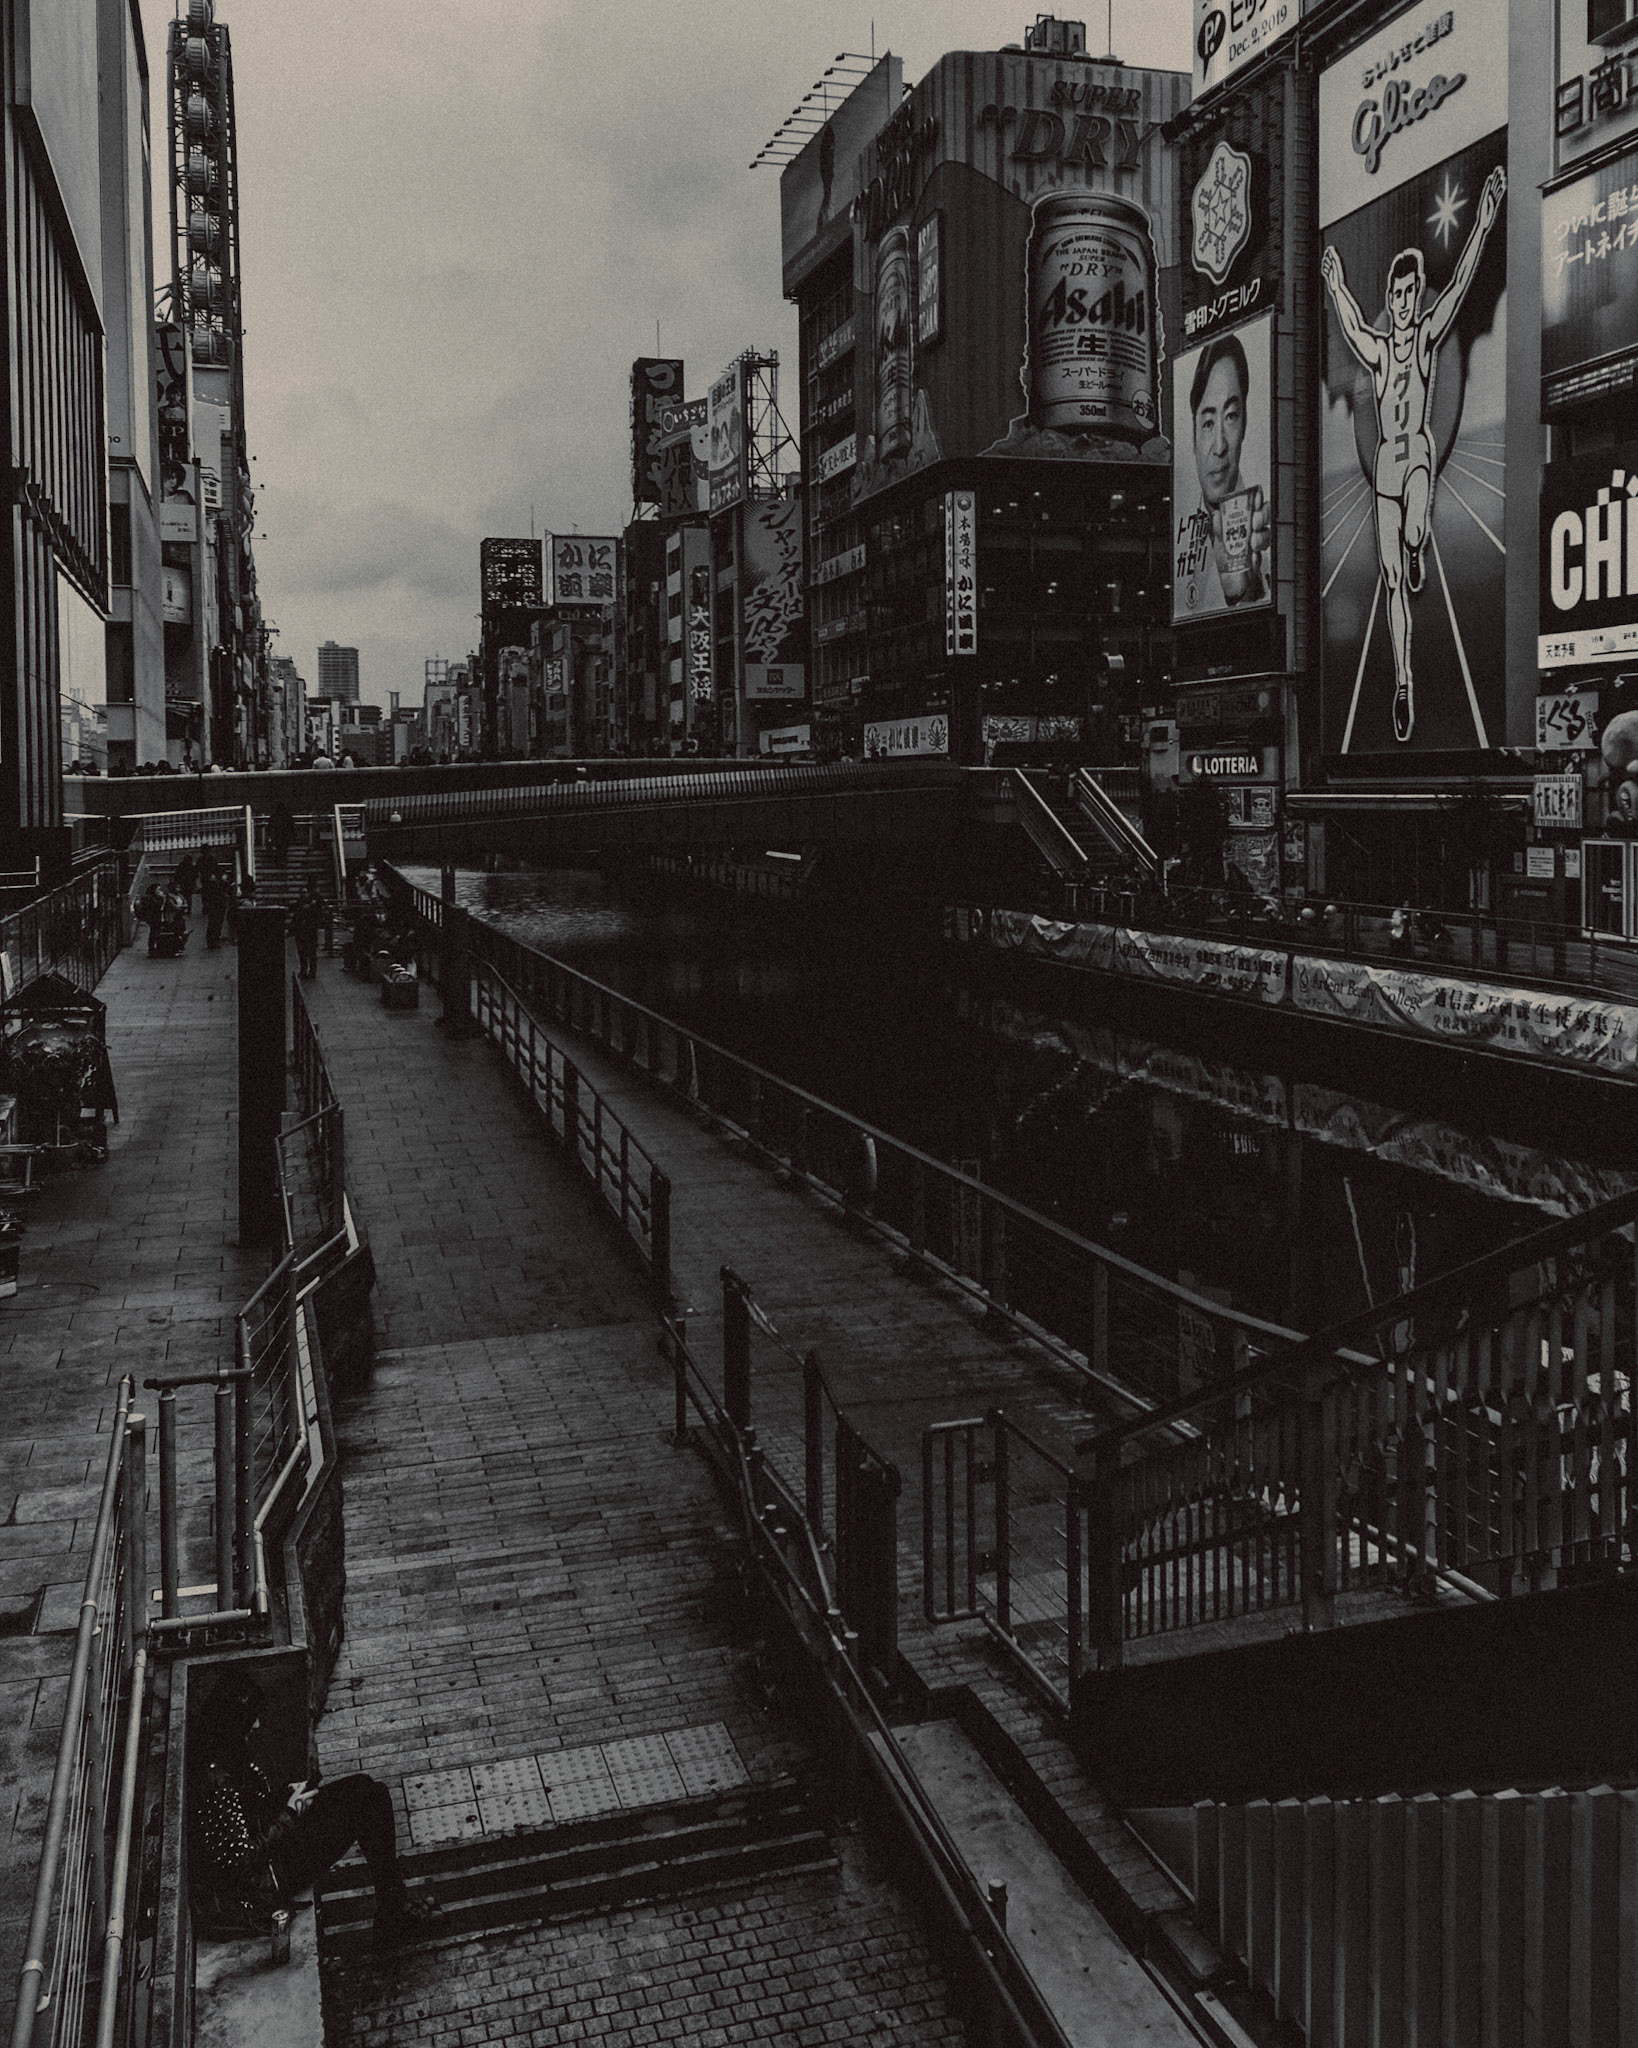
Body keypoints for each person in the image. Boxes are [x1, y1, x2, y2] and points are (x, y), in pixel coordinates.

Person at [1320, 165, 1506, 744]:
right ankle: (1404, 681)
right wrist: (1333, 284)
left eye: (1408, 293)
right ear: (1390, 298)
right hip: (1385, 471)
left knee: (1416, 528)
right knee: (1394, 581)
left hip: (1417, 455)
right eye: (1396, 295)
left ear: (1415, 294)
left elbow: (1462, 284)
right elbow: (1350, 326)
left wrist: (1484, 219)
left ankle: (1418, 538)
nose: (1403, 302)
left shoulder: (1425, 339)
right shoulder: (1377, 351)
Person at [190, 1674, 437, 1947]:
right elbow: (241, 1861)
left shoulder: (228, 1756)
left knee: (368, 1790)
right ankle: (393, 1911)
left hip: (275, 1847)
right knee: (366, 1802)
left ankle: (393, 1906)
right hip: (267, 1879)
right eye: (252, 1719)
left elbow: (252, 1810)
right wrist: (291, 1812)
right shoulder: (215, 1781)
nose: (258, 1725)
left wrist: (286, 1797)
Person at [1187, 331, 1270, 608]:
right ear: (1193, 435)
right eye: (1208, 423)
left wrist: (1245, 592)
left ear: (1244, 424)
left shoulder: (1264, 536)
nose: (1219, 446)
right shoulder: (1182, 531)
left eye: (1231, 417)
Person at [291, 884, 325, 981]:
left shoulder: (308, 905)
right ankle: (306, 970)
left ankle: (309, 971)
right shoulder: (303, 905)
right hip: (305, 931)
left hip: (309, 931)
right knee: (305, 952)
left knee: (309, 952)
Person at [201, 863, 231, 950]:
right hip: (217, 905)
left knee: (215, 923)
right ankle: (212, 940)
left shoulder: (214, 883)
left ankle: (213, 939)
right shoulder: (215, 884)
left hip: (216, 905)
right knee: (215, 923)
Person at [268, 799, 295, 866]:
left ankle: (279, 862)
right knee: (284, 849)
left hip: (277, 835)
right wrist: (292, 834)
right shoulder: (288, 816)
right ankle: (283, 861)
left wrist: (270, 836)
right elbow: (292, 826)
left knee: (279, 849)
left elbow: (270, 826)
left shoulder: (274, 816)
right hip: (285, 835)